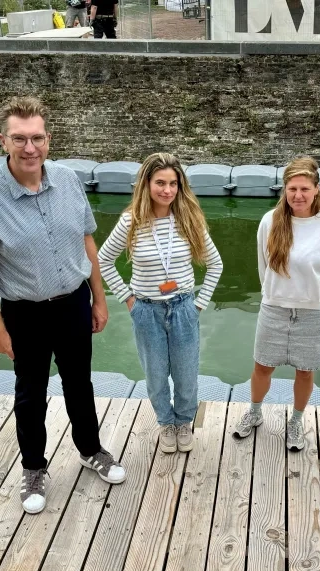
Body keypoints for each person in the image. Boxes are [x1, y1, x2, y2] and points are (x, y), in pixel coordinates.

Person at [0, 96, 125, 516]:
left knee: (80, 383)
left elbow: (87, 241)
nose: (29, 148)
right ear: (4, 141)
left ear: (48, 140)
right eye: (19, 139)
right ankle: (33, 468)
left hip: (73, 301)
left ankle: (91, 450)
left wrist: (99, 298)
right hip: (24, 312)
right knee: (30, 394)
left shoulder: (69, 181)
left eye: (36, 138)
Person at [98, 153, 223, 453]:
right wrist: (129, 300)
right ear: (146, 183)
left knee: (186, 373)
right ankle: (165, 422)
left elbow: (215, 264)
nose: (167, 190)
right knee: (155, 375)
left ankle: (183, 422)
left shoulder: (188, 219)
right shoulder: (131, 221)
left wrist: (198, 305)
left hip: (183, 308)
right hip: (146, 310)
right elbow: (103, 260)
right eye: (160, 183)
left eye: (173, 184)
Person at [232, 157, 320, 451]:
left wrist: (312, 294)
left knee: (306, 371)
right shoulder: (270, 221)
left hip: (314, 311)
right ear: (284, 189)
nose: (298, 195)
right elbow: (263, 266)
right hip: (274, 307)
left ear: (317, 189)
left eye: (305, 188)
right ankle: (255, 412)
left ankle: (296, 420)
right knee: (262, 367)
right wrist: (276, 294)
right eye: (292, 188)